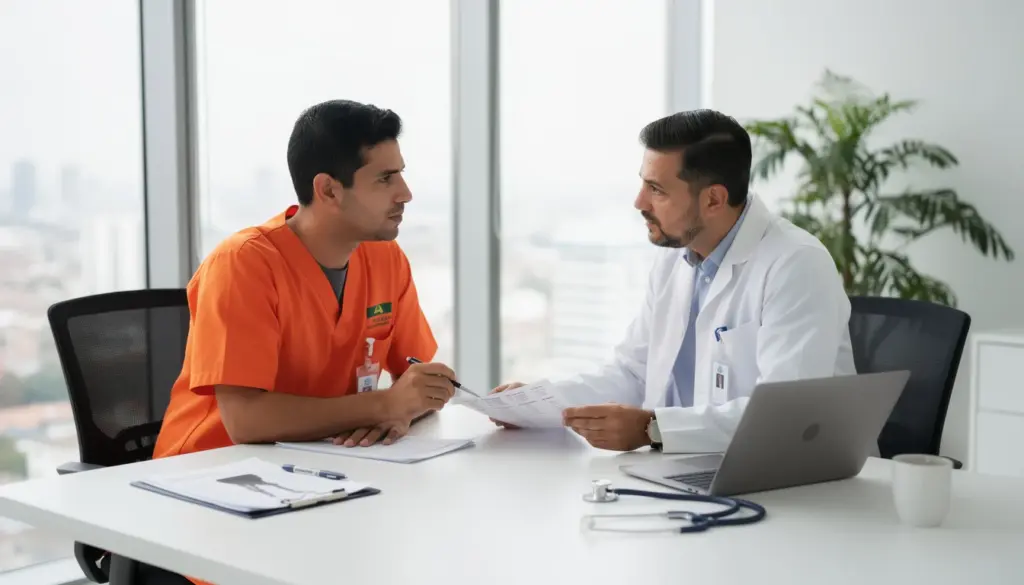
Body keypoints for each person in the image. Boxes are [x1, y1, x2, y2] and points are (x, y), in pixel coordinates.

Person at [493, 109, 856, 454]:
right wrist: (538, 403)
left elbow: (785, 416)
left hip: (793, 486)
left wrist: (653, 429)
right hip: (686, 469)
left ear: (714, 199)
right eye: (642, 184)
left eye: (657, 189)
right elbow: (633, 374)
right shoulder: (675, 257)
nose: (639, 202)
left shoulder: (795, 264)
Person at [153, 99, 457, 462]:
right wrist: (382, 406)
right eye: (385, 178)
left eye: (401, 174)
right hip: (206, 473)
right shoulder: (243, 264)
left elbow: (419, 385)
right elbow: (245, 421)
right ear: (328, 190)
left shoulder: (386, 260)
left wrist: (401, 410)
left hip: (318, 467)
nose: (405, 193)